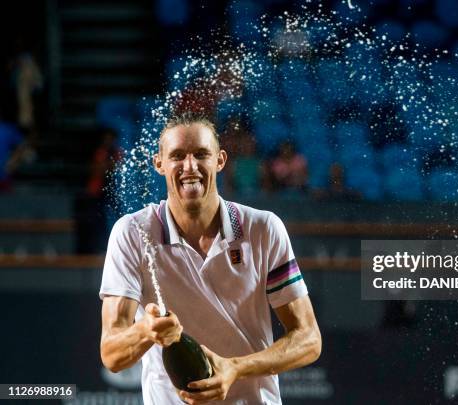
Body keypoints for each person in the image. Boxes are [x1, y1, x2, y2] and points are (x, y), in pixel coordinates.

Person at [99, 111, 321, 404]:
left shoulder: (264, 228)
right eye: (177, 155)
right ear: (159, 164)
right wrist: (146, 331)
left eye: (201, 154)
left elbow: (308, 339)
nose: (190, 166)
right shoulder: (132, 233)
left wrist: (236, 368)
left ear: (220, 160)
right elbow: (112, 354)